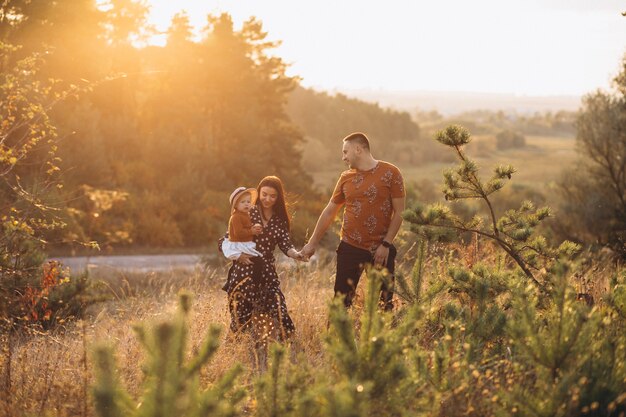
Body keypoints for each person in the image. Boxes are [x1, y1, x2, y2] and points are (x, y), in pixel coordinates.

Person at [301, 132, 405, 310]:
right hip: (350, 247)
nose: (343, 157)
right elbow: (329, 212)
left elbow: (400, 212)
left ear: (358, 149)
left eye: (345, 152)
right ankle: (334, 337)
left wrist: (386, 244)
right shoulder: (345, 178)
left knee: (383, 304)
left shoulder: (391, 172)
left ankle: (381, 338)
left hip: (381, 249)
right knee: (340, 304)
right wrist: (312, 243)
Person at [219, 176, 305, 344]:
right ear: (258, 193)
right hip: (244, 270)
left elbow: (286, 244)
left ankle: (288, 346)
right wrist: (238, 256)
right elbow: (226, 239)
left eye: (272, 196)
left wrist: (296, 254)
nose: (267, 199)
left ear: (278, 197)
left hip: (266, 271)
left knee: (278, 308)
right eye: (264, 194)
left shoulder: (279, 220)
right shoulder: (247, 210)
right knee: (241, 314)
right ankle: (234, 348)